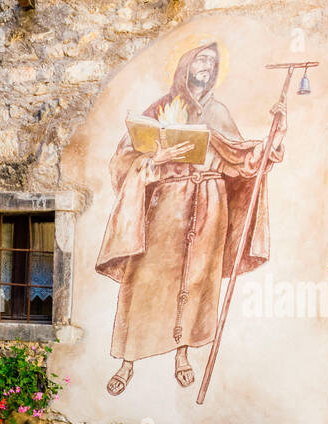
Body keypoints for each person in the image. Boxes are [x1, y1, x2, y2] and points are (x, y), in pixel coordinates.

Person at [96, 42, 285, 397]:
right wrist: (158, 156)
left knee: (196, 281)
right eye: (201, 59)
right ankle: (127, 361)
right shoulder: (160, 108)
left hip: (211, 207)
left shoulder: (220, 113)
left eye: (213, 61)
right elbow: (123, 163)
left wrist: (277, 131)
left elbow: (244, 160)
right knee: (144, 280)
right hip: (168, 204)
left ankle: (183, 355)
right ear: (185, 65)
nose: (207, 66)